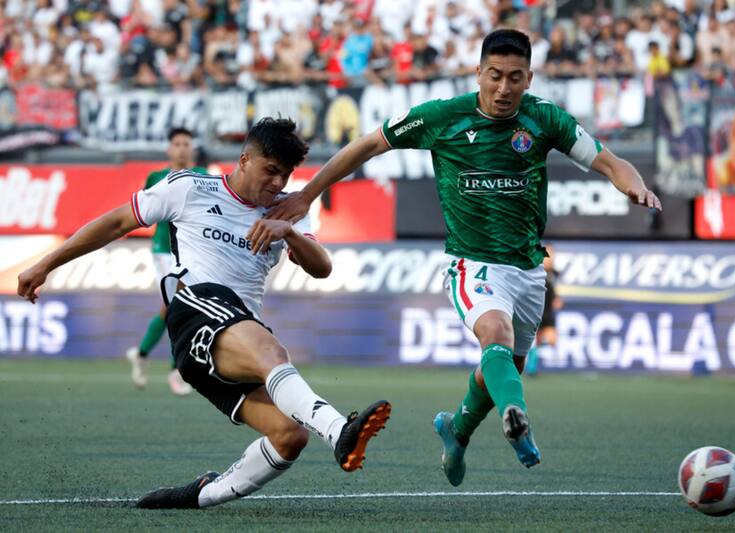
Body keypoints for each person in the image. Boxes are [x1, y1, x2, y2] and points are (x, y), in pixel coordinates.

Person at [258, 29, 661, 487]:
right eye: (495, 76)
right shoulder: (441, 118)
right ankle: (518, 415)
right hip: (473, 263)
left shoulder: (545, 119)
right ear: (479, 73)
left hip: (529, 269)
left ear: (529, 78)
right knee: (496, 336)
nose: (504, 88)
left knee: (504, 367)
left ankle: (457, 430)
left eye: (514, 78)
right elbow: (368, 144)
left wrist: (632, 184)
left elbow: (609, 161)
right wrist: (309, 194)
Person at [17, 117, 391, 509]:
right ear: (245, 160)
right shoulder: (190, 188)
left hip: (233, 338)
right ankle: (338, 431)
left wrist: (290, 232)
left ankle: (201, 494)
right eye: (271, 170)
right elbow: (116, 223)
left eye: (286, 174)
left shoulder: (290, 208)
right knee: (272, 353)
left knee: (288, 437)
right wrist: (47, 263)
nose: (279, 183)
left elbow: (322, 268)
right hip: (194, 311)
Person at [126, 127, 206, 395]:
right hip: (164, 249)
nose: (182, 147)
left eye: (186, 143)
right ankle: (177, 371)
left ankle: (142, 353)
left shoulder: (205, 177)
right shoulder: (156, 177)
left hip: (193, 251)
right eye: (177, 143)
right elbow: (144, 210)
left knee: (174, 308)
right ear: (169, 149)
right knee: (178, 306)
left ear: (192, 148)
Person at [524, 244, 562, 376]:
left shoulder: (554, 274)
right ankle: (531, 367)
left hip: (548, 312)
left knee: (552, 340)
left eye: (552, 255)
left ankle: (532, 358)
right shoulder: (536, 271)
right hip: (536, 311)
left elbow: (553, 289)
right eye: (547, 255)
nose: (550, 258)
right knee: (535, 340)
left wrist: (557, 298)